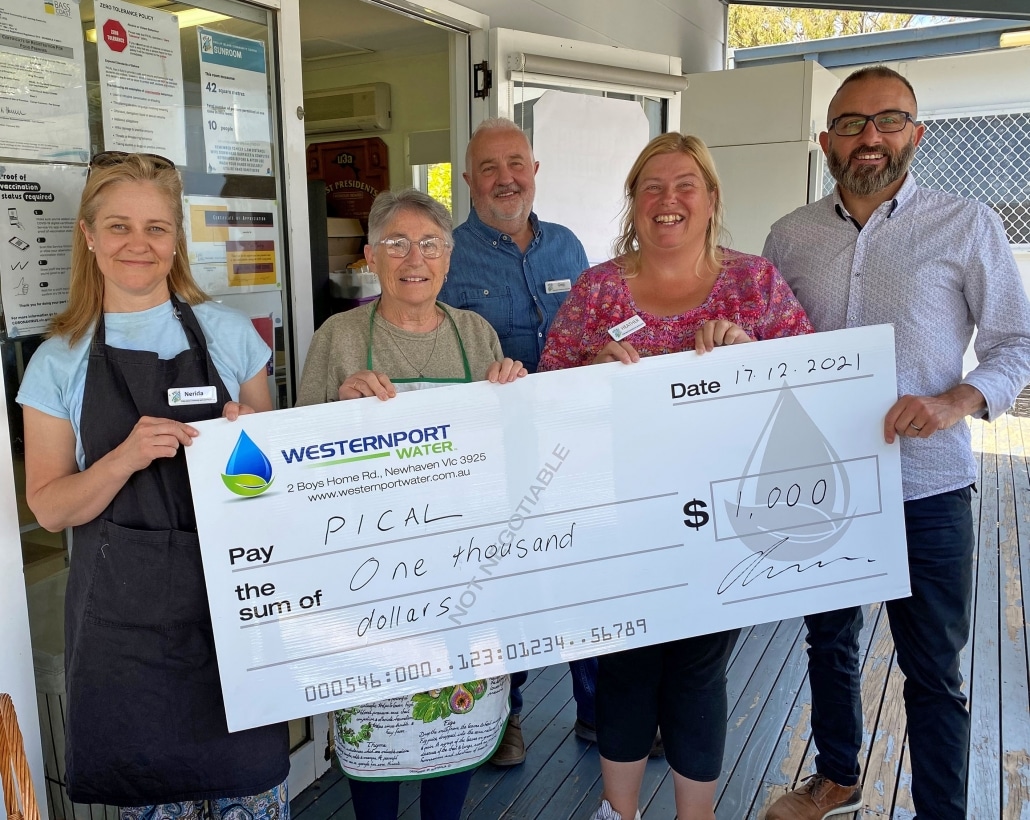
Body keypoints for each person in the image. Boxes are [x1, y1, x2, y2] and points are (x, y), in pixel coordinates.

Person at [762, 66, 1030, 820]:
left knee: (933, 669)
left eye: (888, 121)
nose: (869, 137)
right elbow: (764, 350)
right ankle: (838, 777)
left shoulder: (967, 223)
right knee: (829, 645)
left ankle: (941, 809)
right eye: (851, 123)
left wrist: (958, 400)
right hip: (822, 484)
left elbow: (1018, 342)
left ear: (916, 132)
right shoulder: (789, 236)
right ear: (825, 140)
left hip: (929, 486)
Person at [539, 133, 813, 820]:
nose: (668, 199)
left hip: (723, 518)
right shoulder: (599, 289)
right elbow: (543, 393)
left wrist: (748, 356)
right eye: (651, 187)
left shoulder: (754, 283)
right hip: (617, 515)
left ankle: (698, 817)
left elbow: (811, 379)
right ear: (633, 204)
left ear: (712, 199)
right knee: (627, 665)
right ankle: (619, 813)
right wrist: (588, 377)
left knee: (696, 669)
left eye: (685, 184)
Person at [17, 152, 289, 818]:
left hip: (236, 603)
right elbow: (50, 509)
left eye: (156, 228)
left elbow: (277, 485)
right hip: (123, 624)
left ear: (176, 239)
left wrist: (249, 438)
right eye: (117, 227)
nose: (137, 244)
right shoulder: (59, 359)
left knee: (251, 793)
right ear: (88, 235)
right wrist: (123, 457)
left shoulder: (230, 336)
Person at [297, 188, 525, 820]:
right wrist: (338, 408)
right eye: (396, 243)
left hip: (462, 570)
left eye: (429, 243)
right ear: (371, 256)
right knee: (379, 725)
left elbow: (506, 450)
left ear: (449, 259)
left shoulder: (474, 333)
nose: (413, 257)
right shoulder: (338, 338)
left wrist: (512, 393)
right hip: (371, 571)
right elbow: (295, 454)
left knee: (453, 720)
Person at [438, 117, 598, 766]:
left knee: (584, 579)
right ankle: (508, 716)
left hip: (573, 447)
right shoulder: (447, 256)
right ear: (471, 180)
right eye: (489, 168)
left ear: (534, 171)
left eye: (516, 164)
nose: (505, 178)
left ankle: (598, 711)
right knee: (509, 584)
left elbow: (591, 334)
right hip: (494, 457)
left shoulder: (568, 247)